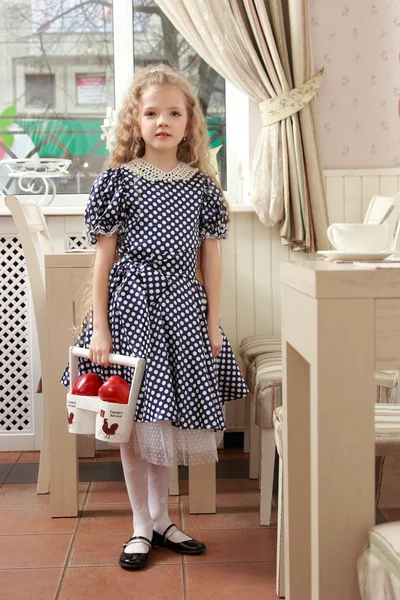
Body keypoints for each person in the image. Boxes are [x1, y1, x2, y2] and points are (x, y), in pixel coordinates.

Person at [61, 63, 249, 570]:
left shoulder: (203, 188)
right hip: (130, 310)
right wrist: (100, 327)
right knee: (131, 419)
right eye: (151, 113)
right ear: (135, 122)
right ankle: (140, 525)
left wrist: (212, 323)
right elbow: (103, 262)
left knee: (163, 419)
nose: (162, 121)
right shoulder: (118, 182)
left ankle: (163, 519)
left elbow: (211, 261)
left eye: (173, 112)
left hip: (183, 312)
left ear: (189, 123)